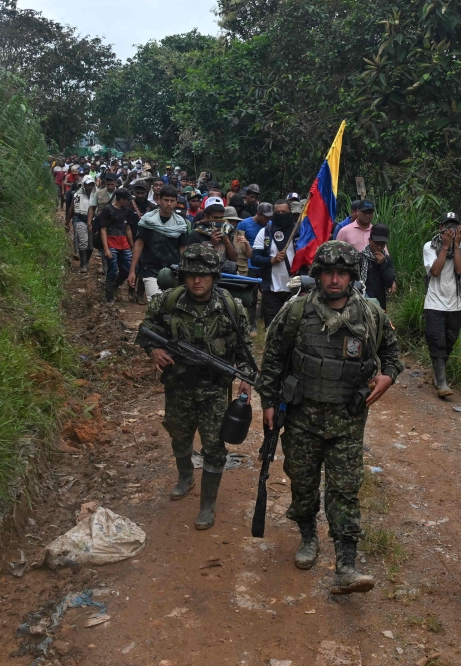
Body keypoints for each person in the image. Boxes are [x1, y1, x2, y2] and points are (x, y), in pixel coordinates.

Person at [257, 241, 404, 593]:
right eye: (328, 272)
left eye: (341, 273)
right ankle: (308, 536)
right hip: (301, 417)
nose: (334, 279)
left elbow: (392, 354)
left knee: (345, 490)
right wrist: (268, 402)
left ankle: (346, 563)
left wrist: (389, 375)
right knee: (303, 483)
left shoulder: (370, 314)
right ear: (318, 275)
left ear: (351, 276)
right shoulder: (297, 311)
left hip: (347, 420)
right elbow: (273, 358)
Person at [139, 245, 253, 530]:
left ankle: (207, 504)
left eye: (203, 276)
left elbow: (244, 350)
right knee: (178, 434)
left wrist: (245, 379)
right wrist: (154, 350)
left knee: (214, 446)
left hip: (215, 389)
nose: (197, 281)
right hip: (177, 384)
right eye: (191, 275)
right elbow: (145, 330)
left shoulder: (231, 306)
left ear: (214, 277)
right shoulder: (167, 302)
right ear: (183, 276)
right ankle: (186, 475)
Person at [423, 212, 461, 397]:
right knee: (437, 341)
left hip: (456, 303)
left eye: (454, 226)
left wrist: (456, 245)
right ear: (441, 228)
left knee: (449, 341)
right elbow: (434, 271)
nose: (451, 230)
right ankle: (442, 383)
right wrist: (444, 247)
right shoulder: (430, 246)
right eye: (447, 226)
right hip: (434, 302)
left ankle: (438, 373)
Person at [128, 185, 189, 301]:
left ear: (176, 202)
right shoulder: (148, 220)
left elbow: (183, 249)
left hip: (173, 271)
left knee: (171, 304)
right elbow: (139, 245)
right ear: (160, 200)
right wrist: (132, 270)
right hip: (150, 269)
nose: (169, 204)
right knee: (156, 301)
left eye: (172, 201)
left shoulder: (181, 224)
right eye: (166, 200)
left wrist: (185, 271)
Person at [251, 200, 296, 327]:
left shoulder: (299, 233)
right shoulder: (265, 233)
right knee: (272, 328)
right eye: (277, 212)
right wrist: (272, 260)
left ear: (290, 213)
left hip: (295, 290)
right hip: (271, 289)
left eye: (284, 212)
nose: (281, 214)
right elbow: (255, 258)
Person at [236, 202, 273, 335]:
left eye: (269, 217)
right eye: (265, 217)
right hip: (250, 263)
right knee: (252, 295)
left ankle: (265, 319)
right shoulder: (244, 224)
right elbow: (239, 246)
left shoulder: (270, 226)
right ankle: (252, 324)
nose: (267, 220)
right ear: (258, 214)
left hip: (266, 263)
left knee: (267, 292)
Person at [94, 187, 134, 304]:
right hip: (111, 243)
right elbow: (103, 230)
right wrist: (106, 249)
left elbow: (128, 229)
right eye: (127, 200)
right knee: (112, 270)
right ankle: (109, 295)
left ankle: (116, 284)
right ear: (121, 200)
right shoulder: (108, 210)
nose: (129, 202)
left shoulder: (127, 211)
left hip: (124, 243)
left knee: (127, 269)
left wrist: (132, 246)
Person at [188, 196, 238, 263]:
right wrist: (211, 244)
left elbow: (234, 258)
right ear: (206, 217)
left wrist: (227, 241)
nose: (219, 221)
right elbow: (192, 260)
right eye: (215, 218)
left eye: (221, 218)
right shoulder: (196, 234)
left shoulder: (226, 231)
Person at [359, 224, 396, 310]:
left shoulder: (387, 260)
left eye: (382, 244)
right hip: (361, 302)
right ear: (369, 240)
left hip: (379, 304)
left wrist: (382, 264)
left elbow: (389, 282)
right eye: (376, 243)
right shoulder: (360, 258)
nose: (379, 247)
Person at [68, 175, 96, 273]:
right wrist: (67, 222)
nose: (90, 187)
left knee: (91, 245)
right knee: (83, 242)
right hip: (80, 218)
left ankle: (86, 261)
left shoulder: (95, 195)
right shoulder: (77, 195)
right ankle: (83, 264)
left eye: (92, 185)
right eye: (88, 185)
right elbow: (72, 208)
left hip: (92, 221)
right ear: (84, 185)